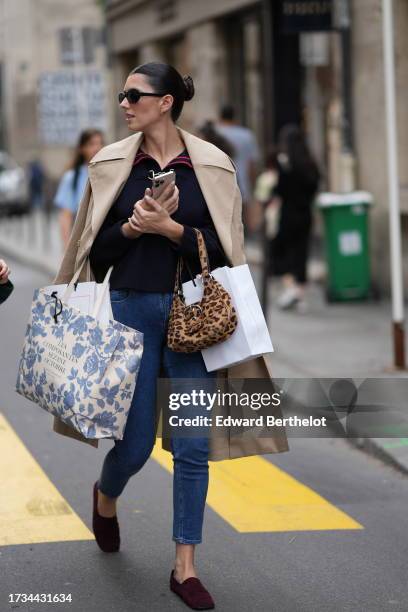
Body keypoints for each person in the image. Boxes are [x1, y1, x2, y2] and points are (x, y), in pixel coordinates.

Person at [51, 61, 289, 610]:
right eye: (121, 94)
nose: (124, 103)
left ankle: (185, 566)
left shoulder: (211, 164)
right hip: (129, 312)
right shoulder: (111, 163)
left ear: (166, 102)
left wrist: (174, 230)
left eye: (134, 95)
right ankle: (106, 497)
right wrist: (134, 227)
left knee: (190, 445)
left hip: (195, 318)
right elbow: (96, 254)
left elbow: (224, 252)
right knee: (133, 446)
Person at [268, 124, 320, 312]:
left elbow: (280, 189)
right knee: (301, 253)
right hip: (305, 213)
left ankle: (292, 290)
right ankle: (299, 294)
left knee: (284, 251)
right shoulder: (310, 163)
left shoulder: (286, 163)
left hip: (288, 213)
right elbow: (314, 186)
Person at [54, 129, 104, 247]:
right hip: (83, 243)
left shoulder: (111, 174)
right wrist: (67, 249)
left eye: (100, 143)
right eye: (91, 144)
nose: (97, 148)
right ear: (82, 148)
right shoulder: (71, 178)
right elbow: (65, 216)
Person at [215, 105, 260, 232]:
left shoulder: (214, 133)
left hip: (219, 182)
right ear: (235, 117)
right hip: (242, 182)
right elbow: (251, 164)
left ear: (220, 116)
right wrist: (252, 184)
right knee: (240, 222)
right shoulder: (246, 135)